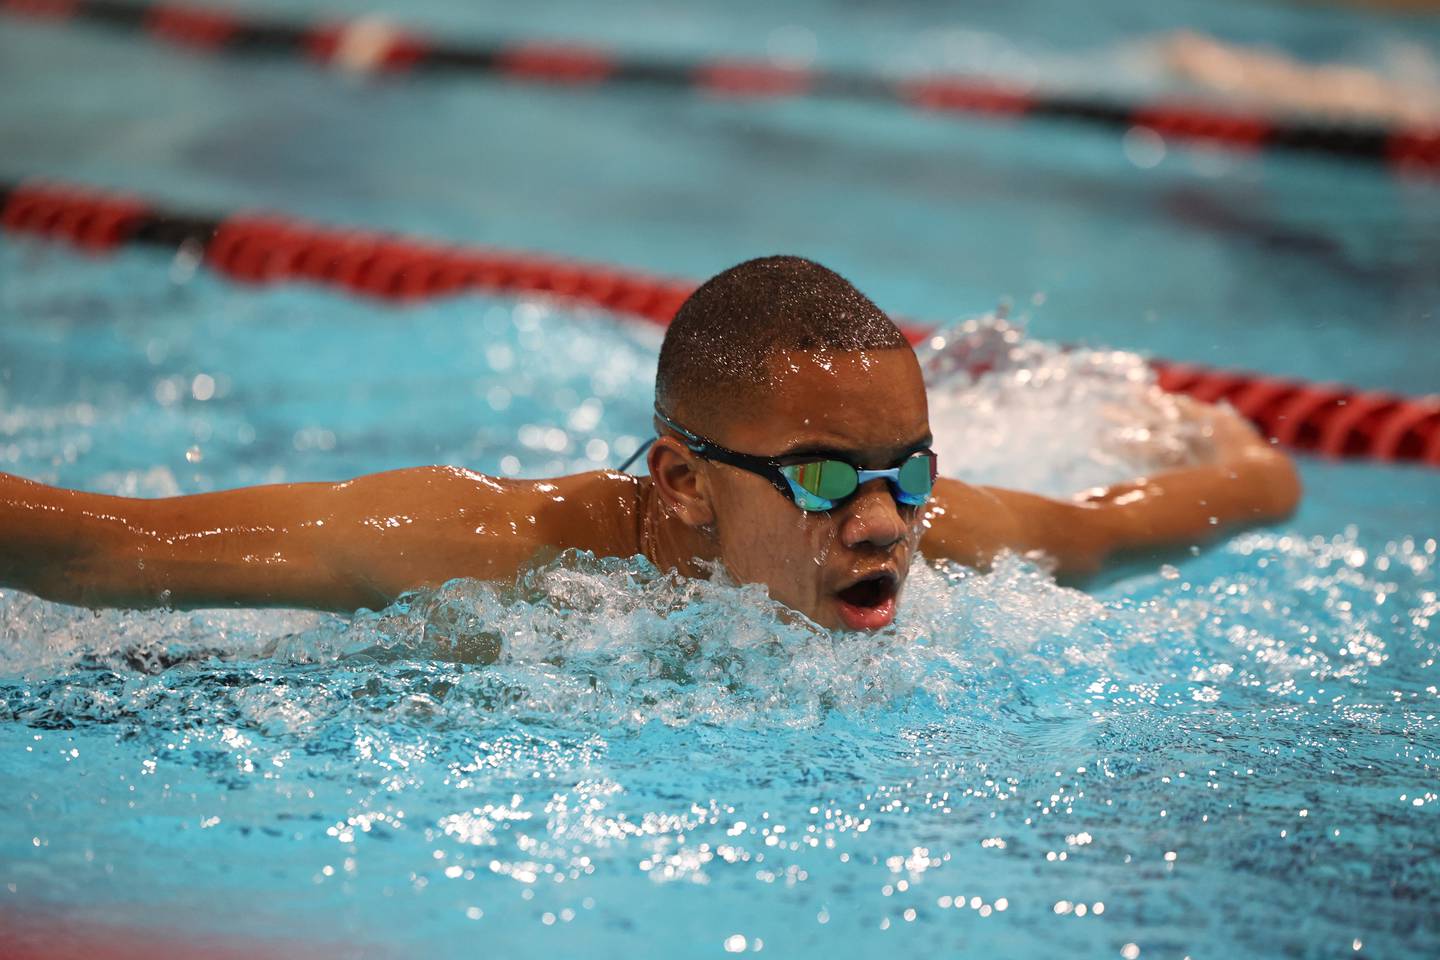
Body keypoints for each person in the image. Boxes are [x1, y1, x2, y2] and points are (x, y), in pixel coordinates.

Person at [0, 256, 1299, 632]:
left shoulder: (944, 540)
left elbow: (1211, 500)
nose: (886, 525)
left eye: (909, 472)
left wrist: (1222, 437)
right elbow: (104, 554)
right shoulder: (485, 549)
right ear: (677, 482)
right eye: (829, 480)